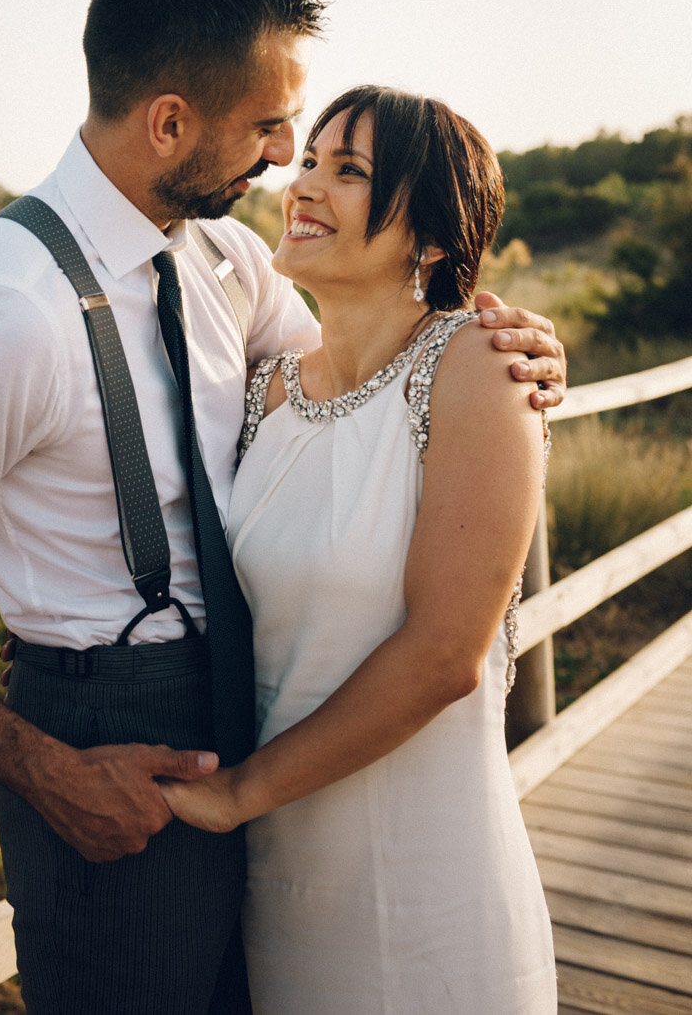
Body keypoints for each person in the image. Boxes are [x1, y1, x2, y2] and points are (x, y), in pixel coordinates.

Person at [0, 0, 565, 1015]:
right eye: (270, 126)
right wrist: (44, 768)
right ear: (168, 123)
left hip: (260, 732)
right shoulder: (2, 310)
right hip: (106, 746)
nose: (286, 152)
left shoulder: (226, 259)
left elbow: (367, 379)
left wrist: (504, 347)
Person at [160, 84, 558, 1014]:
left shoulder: (479, 367)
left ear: (430, 239)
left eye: (351, 172)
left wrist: (235, 796)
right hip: (282, 882)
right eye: (308, 161)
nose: (304, 186)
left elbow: (444, 657)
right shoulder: (264, 392)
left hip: (423, 878)